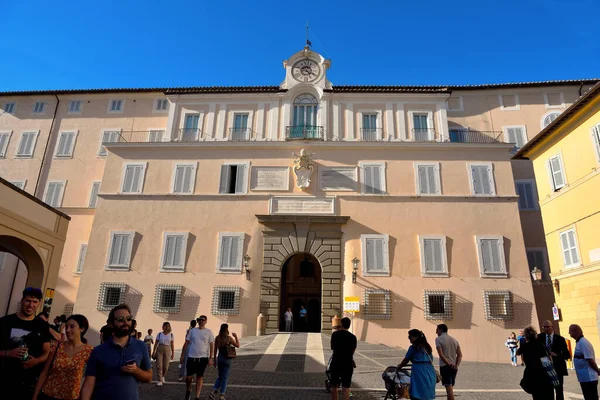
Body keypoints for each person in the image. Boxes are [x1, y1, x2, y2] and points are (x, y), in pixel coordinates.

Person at [80, 304, 152, 400]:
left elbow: (149, 377)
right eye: (120, 319)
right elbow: (88, 384)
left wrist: (136, 371)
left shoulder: (141, 346)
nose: (125, 322)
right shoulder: (98, 351)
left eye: (128, 318)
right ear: (110, 324)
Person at [0, 287, 51, 400]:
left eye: (35, 302)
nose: (30, 305)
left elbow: (47, 351)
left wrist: (36, 361)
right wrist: (9, 353)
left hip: (29, 384)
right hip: (4, 380)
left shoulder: (42, 325)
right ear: (22, 301)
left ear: (39, 303)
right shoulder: (5, 322)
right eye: (28, 300)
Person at [32, 314, 93, 400]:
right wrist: (35, 396)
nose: (68, 330)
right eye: (66, 327)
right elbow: (45, 372)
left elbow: (91, 379)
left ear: (82, 329)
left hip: (70, 397)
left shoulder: (88, 351)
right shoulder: (57, 346)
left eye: (72, 327)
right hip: (47, 395)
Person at [181, 315, 215, 400]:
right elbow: (186, 342)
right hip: (191, 357)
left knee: (200, 377)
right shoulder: (193, 331)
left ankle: (197, 396)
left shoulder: (209, 332)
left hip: (203, 358)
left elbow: (211, 345)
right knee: (188, 377)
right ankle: (189, 389)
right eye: (199, 320)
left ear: (206, 321)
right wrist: (182, 355)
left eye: (203, 320)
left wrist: (211, 358)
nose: (201, 321)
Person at [397, 329, 437, 400]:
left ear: (415, 337)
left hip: (419, 371)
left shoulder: (414, 347)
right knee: (427, 391)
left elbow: (406, 360)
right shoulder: (427, 347)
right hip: (430, 370)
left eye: (410, 337)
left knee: (417, 392)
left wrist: (400, 365)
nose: (409, 339)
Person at [516, 326, 554, 399]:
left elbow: (517, 352)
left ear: (526, 336)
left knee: (536, 396)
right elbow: (548, 358)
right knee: (548, 396)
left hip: (532, 375)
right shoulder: (541, 345)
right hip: (544, 374)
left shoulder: (525, 346)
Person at [538, 320, 571, 400]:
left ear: (552, 327)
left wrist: (556, 355)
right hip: (545, 369)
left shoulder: (560, 339)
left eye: (547, 327)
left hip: (557, 368)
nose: (546, 329)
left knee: (559, 390)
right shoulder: (539, 337)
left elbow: (567, 355)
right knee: (548, 391)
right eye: (544, 327)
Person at [209, 323, 240, 400]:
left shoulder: (217, 338)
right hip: (227, 359)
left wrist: (215, 360)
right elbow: (237, 345)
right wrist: (236, 336)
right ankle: (222, 395)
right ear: (227, 329)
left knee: (220, 377)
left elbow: (215, 350)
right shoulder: (228, 338)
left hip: (220, 358)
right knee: (225, 377)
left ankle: (213, 392)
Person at [329, 317, 357, 400]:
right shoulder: (353, 337)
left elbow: (332, 347)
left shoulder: (335, 335)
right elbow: (353, 350)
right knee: (346, 387)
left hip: (336, 362)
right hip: (347, 363)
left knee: (334, 387)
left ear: (341, 324)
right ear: (349, 325)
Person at [569, 324, 599, 400]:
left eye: (570, 331)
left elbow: (590, 360)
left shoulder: (583, 343)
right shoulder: (579, 342)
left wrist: (598, 371)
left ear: (576, 331)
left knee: (591, 397)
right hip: (584, 378)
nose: (569, 332)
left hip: (589, 378)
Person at [435, 324, 462, 400]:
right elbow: (460, 355)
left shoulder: (438, 339)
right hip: (454, 367)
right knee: (450, 388)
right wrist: (456, 365)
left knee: (449, 389)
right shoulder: (454, 340)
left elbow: (441, 354)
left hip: (445, 366)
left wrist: (448, 364)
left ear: (441, 329)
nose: (436, 332)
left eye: (437, 330)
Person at [152, 321, 175, 386]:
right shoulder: (159, 334)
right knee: (159, 365)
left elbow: (172, 345)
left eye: (163, 326)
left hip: (167, 349)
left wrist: (173, 353)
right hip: (160, 348)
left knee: (166, 366)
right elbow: (156, 343)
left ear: (167, 327)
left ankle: (162, 376)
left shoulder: (171, 335)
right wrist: (154, 352)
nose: (162, 327)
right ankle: (160, 380)